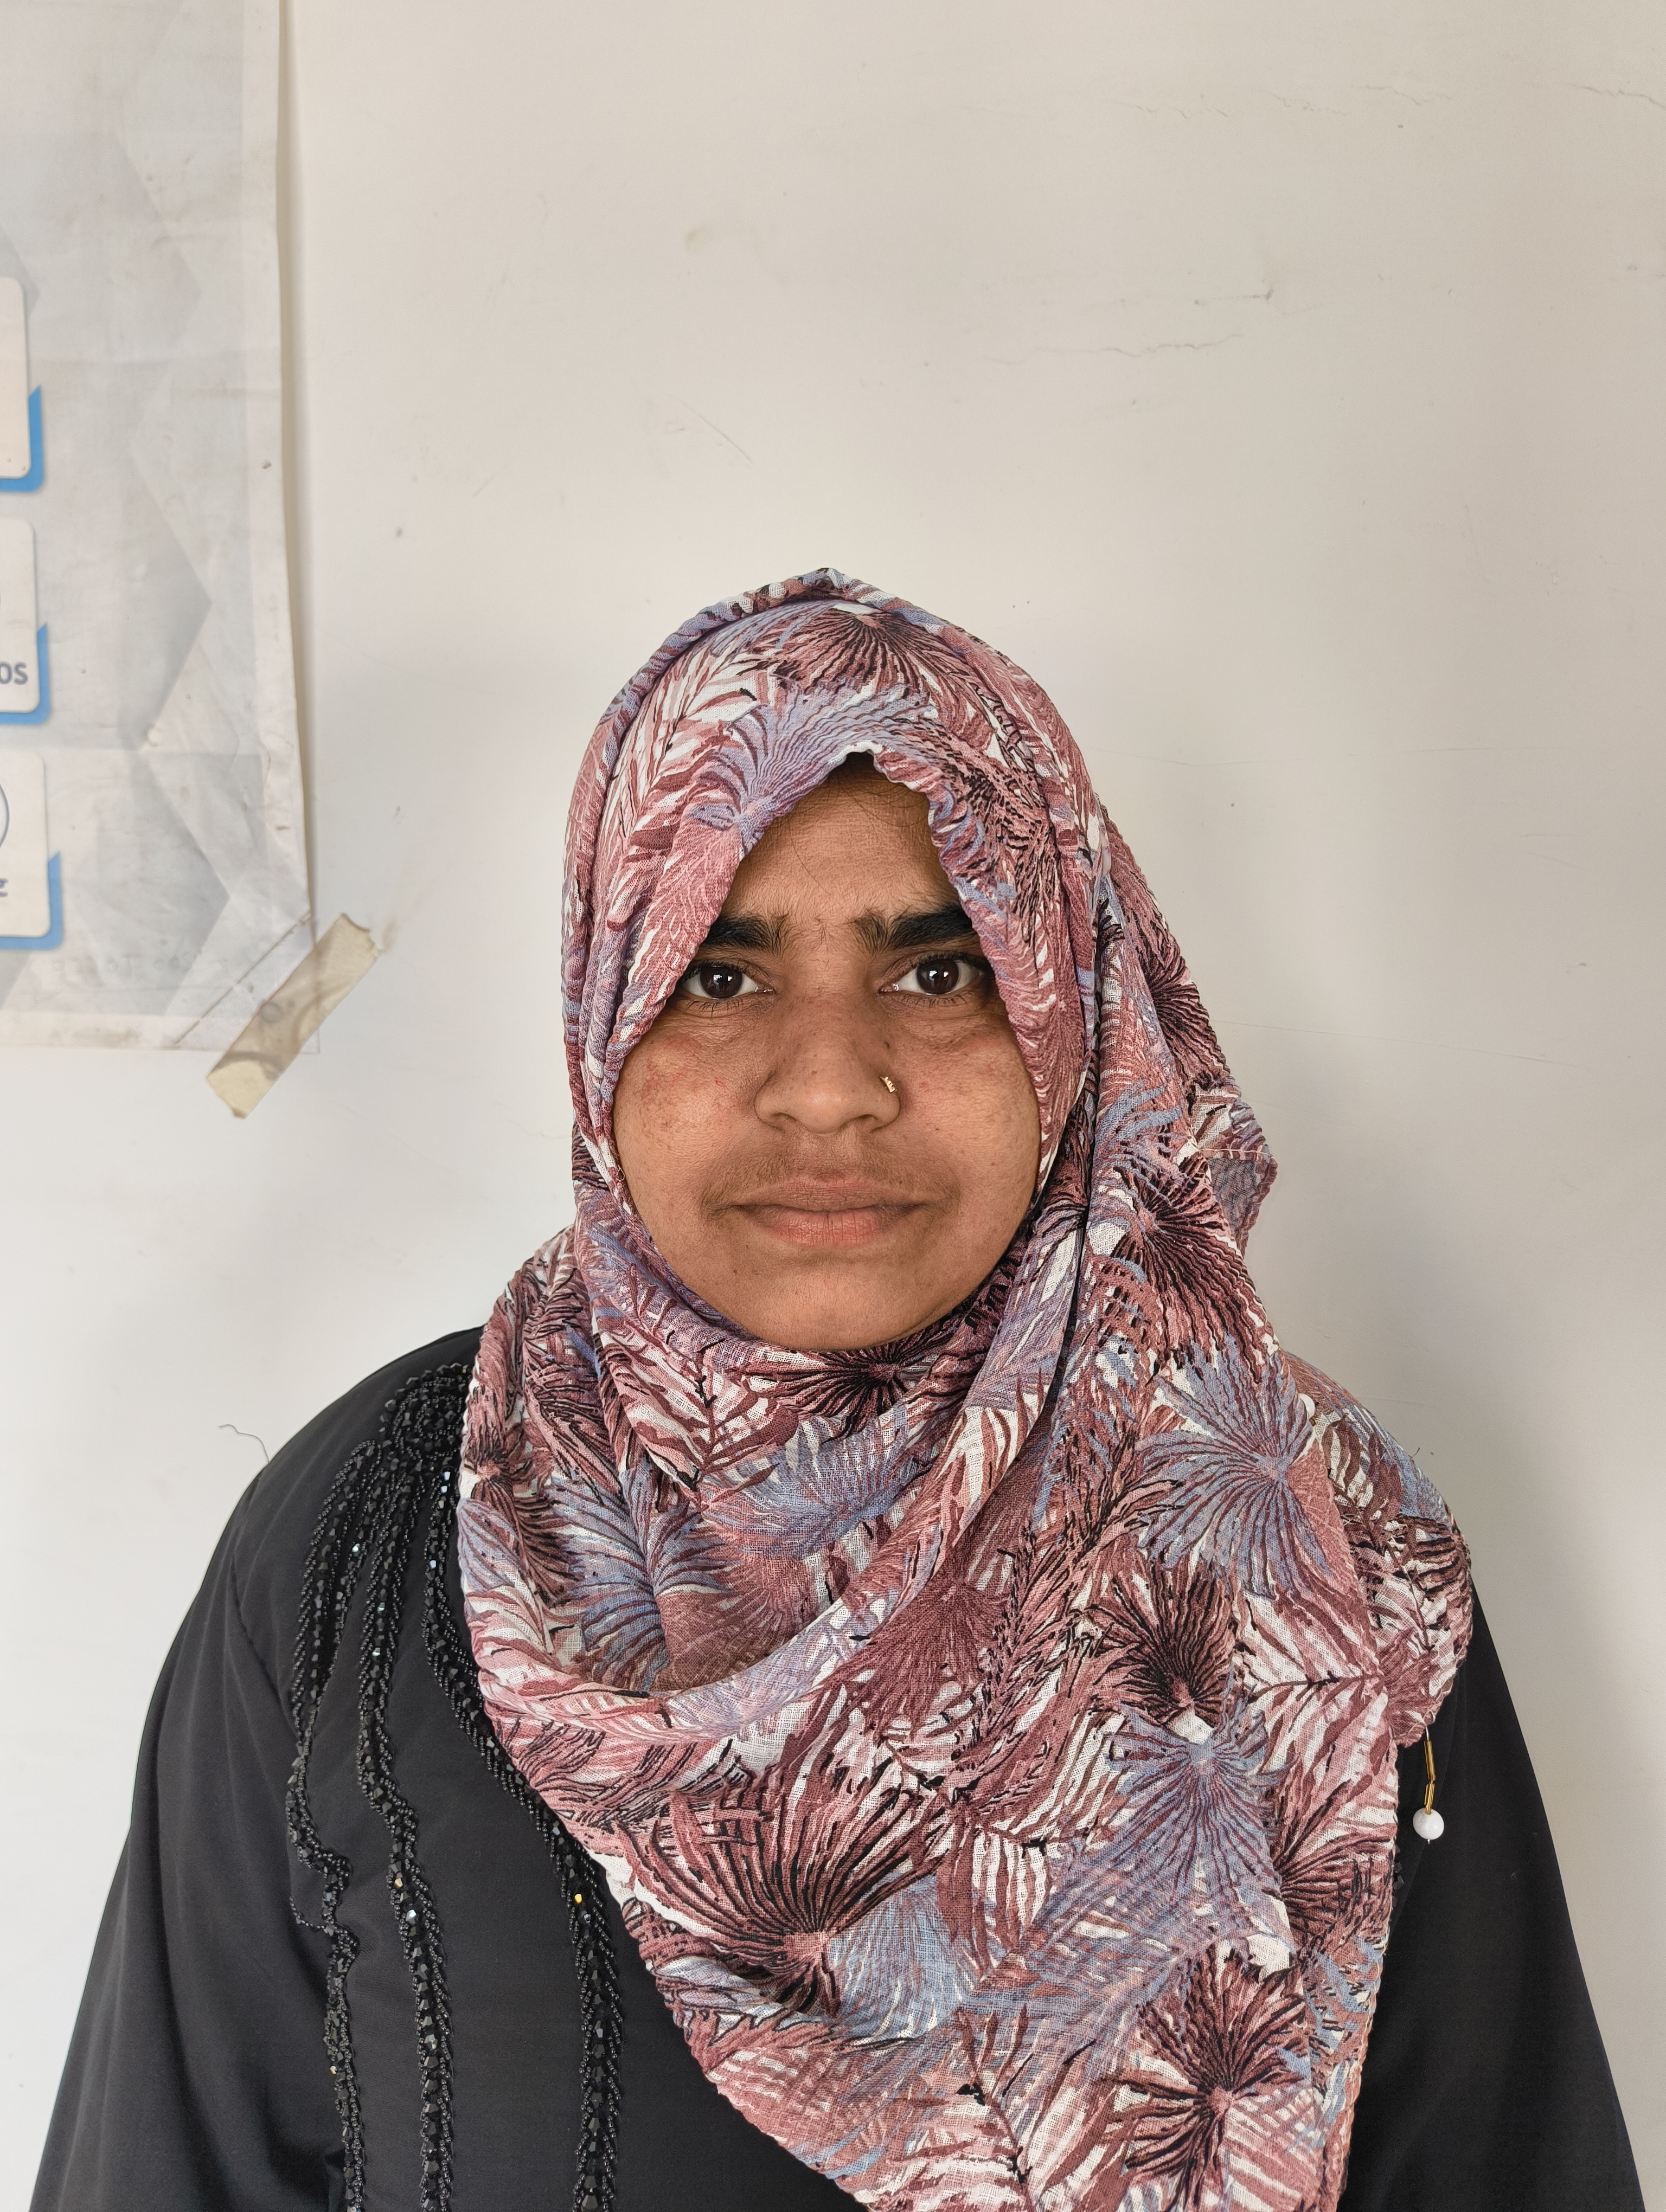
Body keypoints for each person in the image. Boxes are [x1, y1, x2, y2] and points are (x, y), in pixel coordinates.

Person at [34, 571, 1642, 2212]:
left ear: (1071, 1013)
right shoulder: (375, 1536)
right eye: (719, 976)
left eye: (940, 972)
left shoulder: (1313, 1540)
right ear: (605, 1013)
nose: (828, 1087)